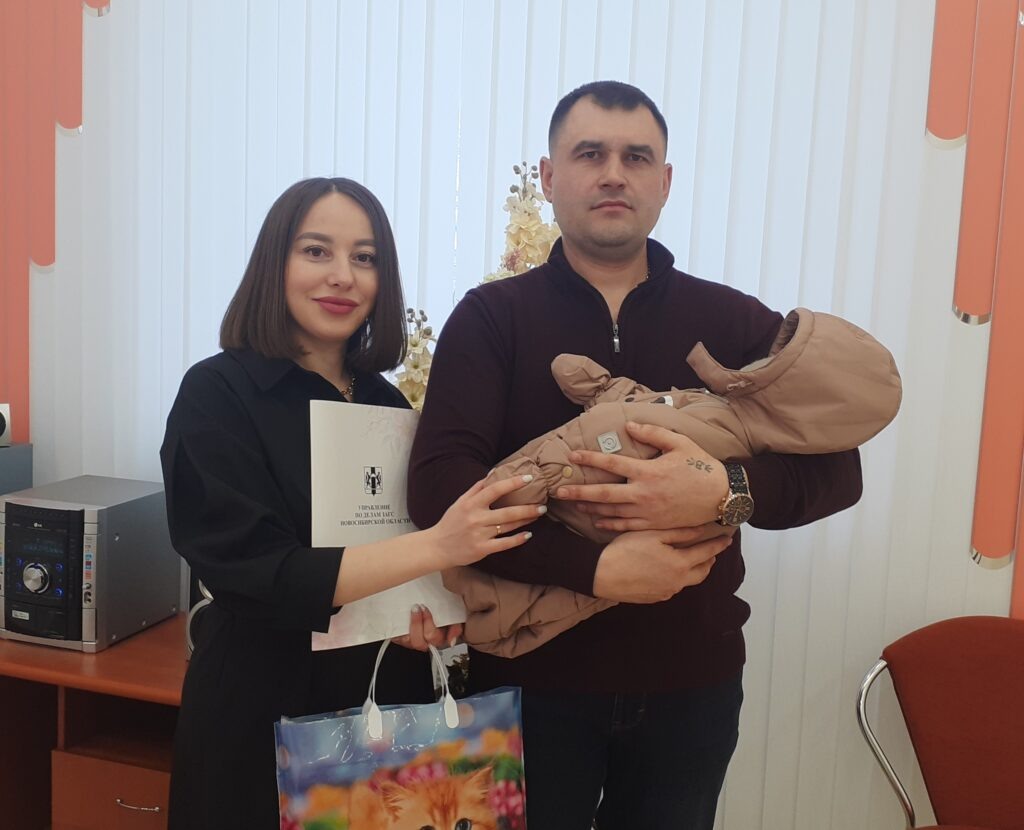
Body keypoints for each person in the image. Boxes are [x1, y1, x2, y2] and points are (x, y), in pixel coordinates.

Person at [407, 82, 863, 829]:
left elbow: (838, 470)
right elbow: (439, 489)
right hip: (525, 681)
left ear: (665, 181)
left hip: (691, 688)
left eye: (637, 157)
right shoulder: (492, 319)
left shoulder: (735, 322)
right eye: (589, 154)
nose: (613, 173)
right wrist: (594, 569)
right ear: (548, 177)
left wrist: (724, 488)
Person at [160, 177, 542, 830]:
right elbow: (260, 571)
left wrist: (424, 616)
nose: (343, 275)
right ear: (275, 263)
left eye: (365, 258)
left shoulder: (385, 403)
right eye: (316, 251)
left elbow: (393, 560)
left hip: (379, 706)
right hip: (259, 708)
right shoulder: (217, 393)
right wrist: (438, 546)